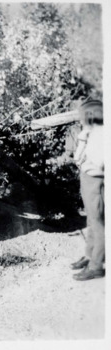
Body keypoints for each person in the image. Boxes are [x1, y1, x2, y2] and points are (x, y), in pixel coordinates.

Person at [71, 99, 105, 281]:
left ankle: (96, 265)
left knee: (99, 222)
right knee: (92, 219)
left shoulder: (101, 135)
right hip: (88, 177)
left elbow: (97, 160)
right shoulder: (93, 132)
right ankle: (91, 254)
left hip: (96, 179)